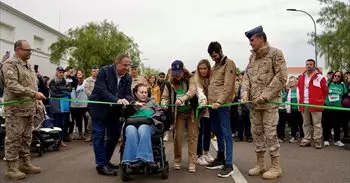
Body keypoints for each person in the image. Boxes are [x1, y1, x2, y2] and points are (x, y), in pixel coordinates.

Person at [241, 26, 287, 180]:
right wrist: (245, 93)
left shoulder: (275, 53)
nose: (250, 43)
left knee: (270, 134)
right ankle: (260, 164)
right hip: (254, 104)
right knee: (257, 133)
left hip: (269, 103)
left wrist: (266, 95)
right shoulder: (252, 57)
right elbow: (246, 77)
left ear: (261, 38)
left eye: (252, 40)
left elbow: (281, 77)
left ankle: (276, 166)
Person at [1, 40, 46, 180]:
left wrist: (37, 100)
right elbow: (12, 85)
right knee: (13, 138)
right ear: (18, 50)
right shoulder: (10, 64)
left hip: (28, 108)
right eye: (28, 50)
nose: (30, 52)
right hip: (15, 110)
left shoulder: (28, 66)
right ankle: (11, 168)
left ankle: (25, 163)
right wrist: (33, 95)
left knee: (27, 137)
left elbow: (33, 85)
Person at [89, 54, 134, 176]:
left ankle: (106, 161)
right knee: (99, 136)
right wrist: (116, 99)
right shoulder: (104, 71)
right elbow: (100, 90)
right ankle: (101, 165)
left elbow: (128, 94)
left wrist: (129, 100)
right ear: (117, 63)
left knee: (114, 136)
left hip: (114, 111)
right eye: (125, 65)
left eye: (128, 65)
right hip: (98, 109)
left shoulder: (128, 77)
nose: (127, 67)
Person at [205, 42, 236, 178]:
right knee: (217, 132)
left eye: (215, 55)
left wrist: (219, 101)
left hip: (221, 105)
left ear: (220, 51)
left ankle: (228, 164)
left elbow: (228, 86)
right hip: (212, 106)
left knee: (226, 133)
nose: (214, 58)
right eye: (212, 56)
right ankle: (221, 157)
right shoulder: (215, 66)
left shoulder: (229, 64)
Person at [161, 60, 198, 173]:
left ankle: (192, 162)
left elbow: (192, 91)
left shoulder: (191, 78)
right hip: (179, 114)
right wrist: (163, 103)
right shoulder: (170, 82)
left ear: (183, 70)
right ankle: (177, 160)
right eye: (174, 73)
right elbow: (164, 97)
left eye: (179, 72)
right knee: (178, 137)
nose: (177, 75)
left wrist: (182, 98)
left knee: (192, 137)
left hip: (191, 111)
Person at [121, 83, 161, 170]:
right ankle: (131, 161)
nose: (144, 94)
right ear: (135, 93)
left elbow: (160, 115)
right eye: (141, 92)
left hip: (149, 127)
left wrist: (162, 110)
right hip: (132, 126)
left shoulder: (153, 103)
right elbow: (124, 115)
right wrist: (133, 106)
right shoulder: (130, 104)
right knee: (131, 129)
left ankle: (144, 159)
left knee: (143, 127)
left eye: (145, 92)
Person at [298, 59, 328, 149]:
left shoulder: (320, 77)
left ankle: (317, 141)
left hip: (315, 104)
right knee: (305, 123)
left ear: (314, 66)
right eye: (307, 64)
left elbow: (325, 91)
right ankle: (306, 139)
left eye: (311, 64)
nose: (308, 65)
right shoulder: (301, 77)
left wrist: (319, 100)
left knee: (317, 123)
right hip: (304, 103)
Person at [194, 59, 215, 166]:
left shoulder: (211, 78)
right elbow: (199, 92)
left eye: (205, 68)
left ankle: (206, 152)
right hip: (200, 109)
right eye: (201, 69)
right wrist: (203, 100)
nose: (203, 71)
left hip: (210, 108)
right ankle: (199, 155)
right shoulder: (196, 80)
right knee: (200, 132)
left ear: (208, 68)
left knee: (208, 131)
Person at [49, 66, 72, 147]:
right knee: (56, 123)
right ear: (56, 72)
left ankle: (61, 139)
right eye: (60, 72)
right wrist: (64, 92)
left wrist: (63, 91)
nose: (61, 73)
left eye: (62, 72)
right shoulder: (52, 82)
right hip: (56, 105)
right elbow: (54, 93)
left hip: (64, 104)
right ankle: (55, 140)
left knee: (63, 123)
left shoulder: (66, 82)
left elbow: (69, 90)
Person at [323, 71, 347, 147]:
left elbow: (345, 95)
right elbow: (323, 93)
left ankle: (337, 140)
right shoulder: (328, 83)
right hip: (327, 107)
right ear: (333, 76)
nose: (336, 77)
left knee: (337, 125)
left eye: (338, 76)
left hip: (338, 108)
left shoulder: (342, 86)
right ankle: (326, 139)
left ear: (341, 78)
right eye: (335, 75)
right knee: (326, 124)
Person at [70, 70, 88, 140]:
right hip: (77, 105)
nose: (79, 77)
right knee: (78, 119)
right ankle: (80, 134)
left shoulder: (85, 82)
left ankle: (86, 132)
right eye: (78, 74)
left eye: (81, 74)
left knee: (86, 118)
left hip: (84, 104)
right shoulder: (75, 84)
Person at [83, 65, 99, 142]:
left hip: (100, 103)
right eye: (94, 71)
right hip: (91, 103)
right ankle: (90, 134)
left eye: (97, 71)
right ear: (91, 72)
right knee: (90, 118)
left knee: (100, 119)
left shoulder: (101, 80)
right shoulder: (87, 80)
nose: (95, 72)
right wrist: (95, 96)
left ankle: (98, 135)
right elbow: (87, 91)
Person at [286, 77, 304, 143]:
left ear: (296, 82)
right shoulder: (288, 90)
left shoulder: (299, 89)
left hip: (299, 110)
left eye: (292, 81)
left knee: (301, 124)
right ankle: (294, 137)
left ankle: (303, 137)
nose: (291, 82)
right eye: (290, 81)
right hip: (292, 110)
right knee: (293, 124)